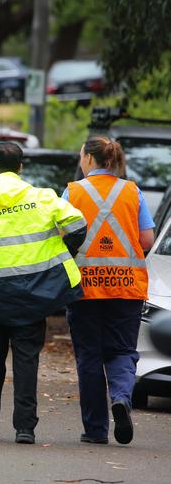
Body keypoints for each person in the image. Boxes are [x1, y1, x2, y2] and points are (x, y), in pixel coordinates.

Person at [0, 142, 87, 444]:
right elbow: (78, 224)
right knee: (27, 362)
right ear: (21, 167)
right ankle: (25, 427)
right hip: (33, 297)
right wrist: (63, 254)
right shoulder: (42, 197)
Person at [63, 136, 155, 445]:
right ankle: (121, 398)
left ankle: (95, 430)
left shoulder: (73, 192)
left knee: (89, 356)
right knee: (122, 351)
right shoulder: (132, 191)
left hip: (84, 288)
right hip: (126, 287)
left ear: (89, 159)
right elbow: (146, 241)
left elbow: (62, 236)